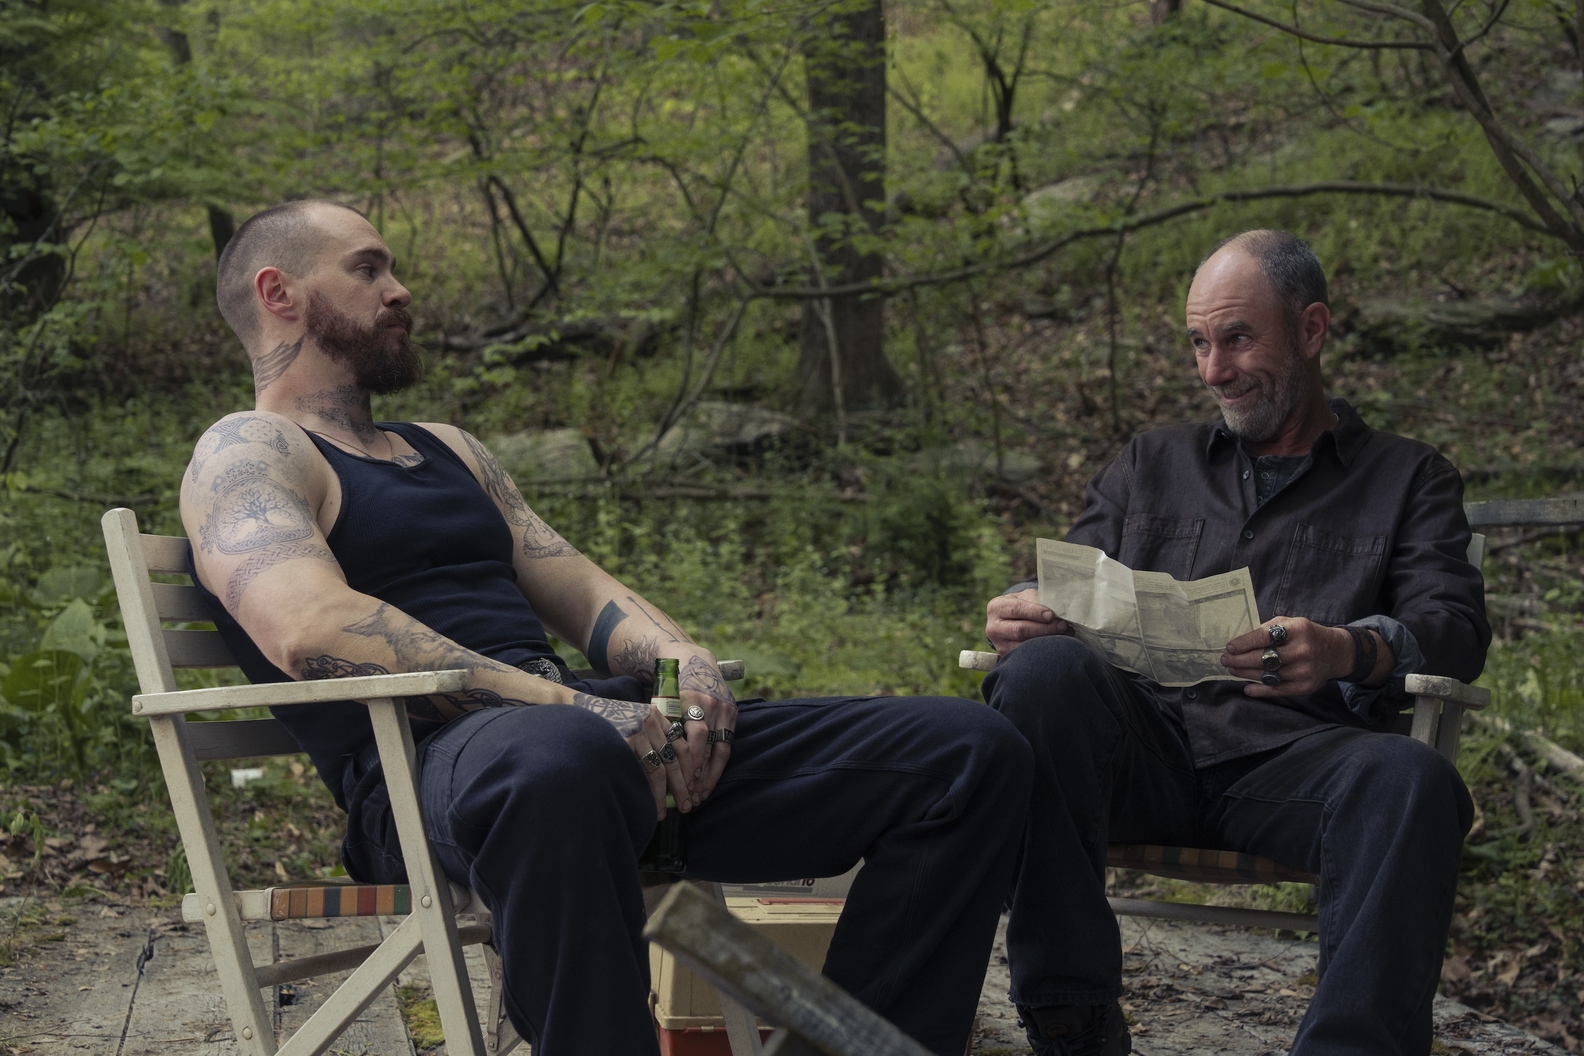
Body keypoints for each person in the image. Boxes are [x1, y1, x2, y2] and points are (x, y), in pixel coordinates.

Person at [179, 199, 1033, 1056]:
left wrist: (682, 665)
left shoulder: (450, 451)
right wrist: (573, 710)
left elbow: (586, 594)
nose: (400, 290)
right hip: (427, 775)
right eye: (368, 269)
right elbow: (307, 626)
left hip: (602, 750)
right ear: (278, 293)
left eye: (394, 269)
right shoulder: (247, 451)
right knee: (562, 759)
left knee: (967, 753)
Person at [981, 229, 1488, 1056]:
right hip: (1141, 753)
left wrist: (1347, 648)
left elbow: (1455, 630)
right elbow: (1067, 580)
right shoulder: (1151, 462)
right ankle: (1071, 1023)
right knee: (1042, 671)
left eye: (1238, 339)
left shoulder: (1408, 477)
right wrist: (1026, 606)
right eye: (1198, 343)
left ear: (1312, 329)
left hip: (1297, 766)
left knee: (1413, 778)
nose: (1214, 370)